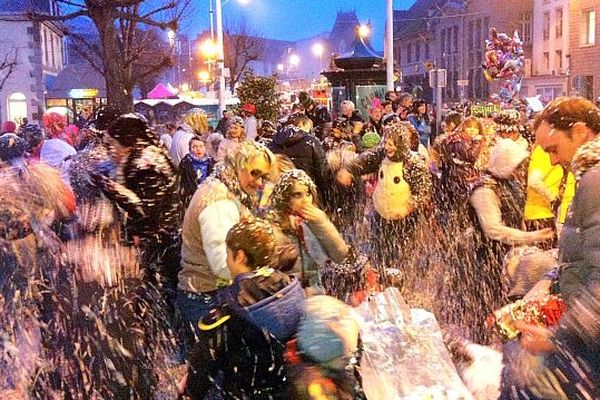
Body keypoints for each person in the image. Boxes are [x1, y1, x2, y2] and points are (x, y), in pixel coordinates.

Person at [183, 218, 305, 399]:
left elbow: (200, 374)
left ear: (240, 256)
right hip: (291, 391)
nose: (226, 259)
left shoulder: (229, 312)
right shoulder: (291, 289)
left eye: (227, 253)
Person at [177, 141, 275, 332]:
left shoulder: (226, 190)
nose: (260, 182)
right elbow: (224, 266)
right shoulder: (218, 202)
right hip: (205, 296)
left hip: (208, 293)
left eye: (263, 176)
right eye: (254, 173)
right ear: (238, 165)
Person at [524, 96, 600, 303]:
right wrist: (550, 278)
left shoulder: (596, 179)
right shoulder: (588, 176)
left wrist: (558, 335)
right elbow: (582, 256)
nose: (553, 160)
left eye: (553, 149)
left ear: (579, 132)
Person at [267, 169, 349, 287]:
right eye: (297, 195)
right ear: (285, 199)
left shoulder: (314, 220)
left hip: (323, 289)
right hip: (295, 293)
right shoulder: (274, 228)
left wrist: (322, 223)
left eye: (308, 193)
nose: (306, 200)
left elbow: (341, 256)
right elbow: (270, 272)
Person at [268, 113, 327, 193]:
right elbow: (322, 172)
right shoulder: (311, 143)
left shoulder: (273, 143)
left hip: (280, 191)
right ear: (304, 125)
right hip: (305, 190)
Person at [178, 136, 215, 210]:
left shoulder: (212, 163)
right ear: (190, 149)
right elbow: (181, 183)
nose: (198, 149)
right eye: (194, 147)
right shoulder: (185, 163)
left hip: (208, 200)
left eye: (201, 146)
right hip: (191, 201)